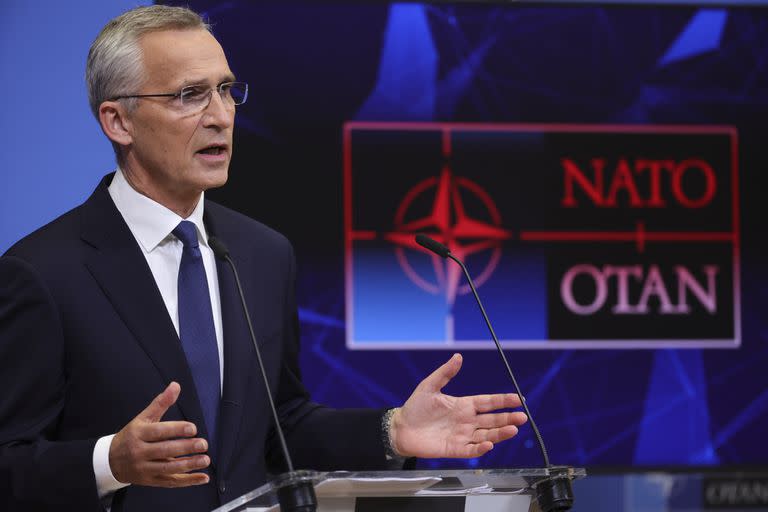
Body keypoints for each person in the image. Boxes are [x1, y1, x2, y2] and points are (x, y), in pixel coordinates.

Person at [0, 5, 528, 511]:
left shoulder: (263, 253)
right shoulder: (44, 272)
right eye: (190, 95)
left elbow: (281, 427)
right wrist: (108, 461)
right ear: (118, 121)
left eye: (226, 91)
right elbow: (9, 464)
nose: (221, 116)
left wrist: (392, 431)